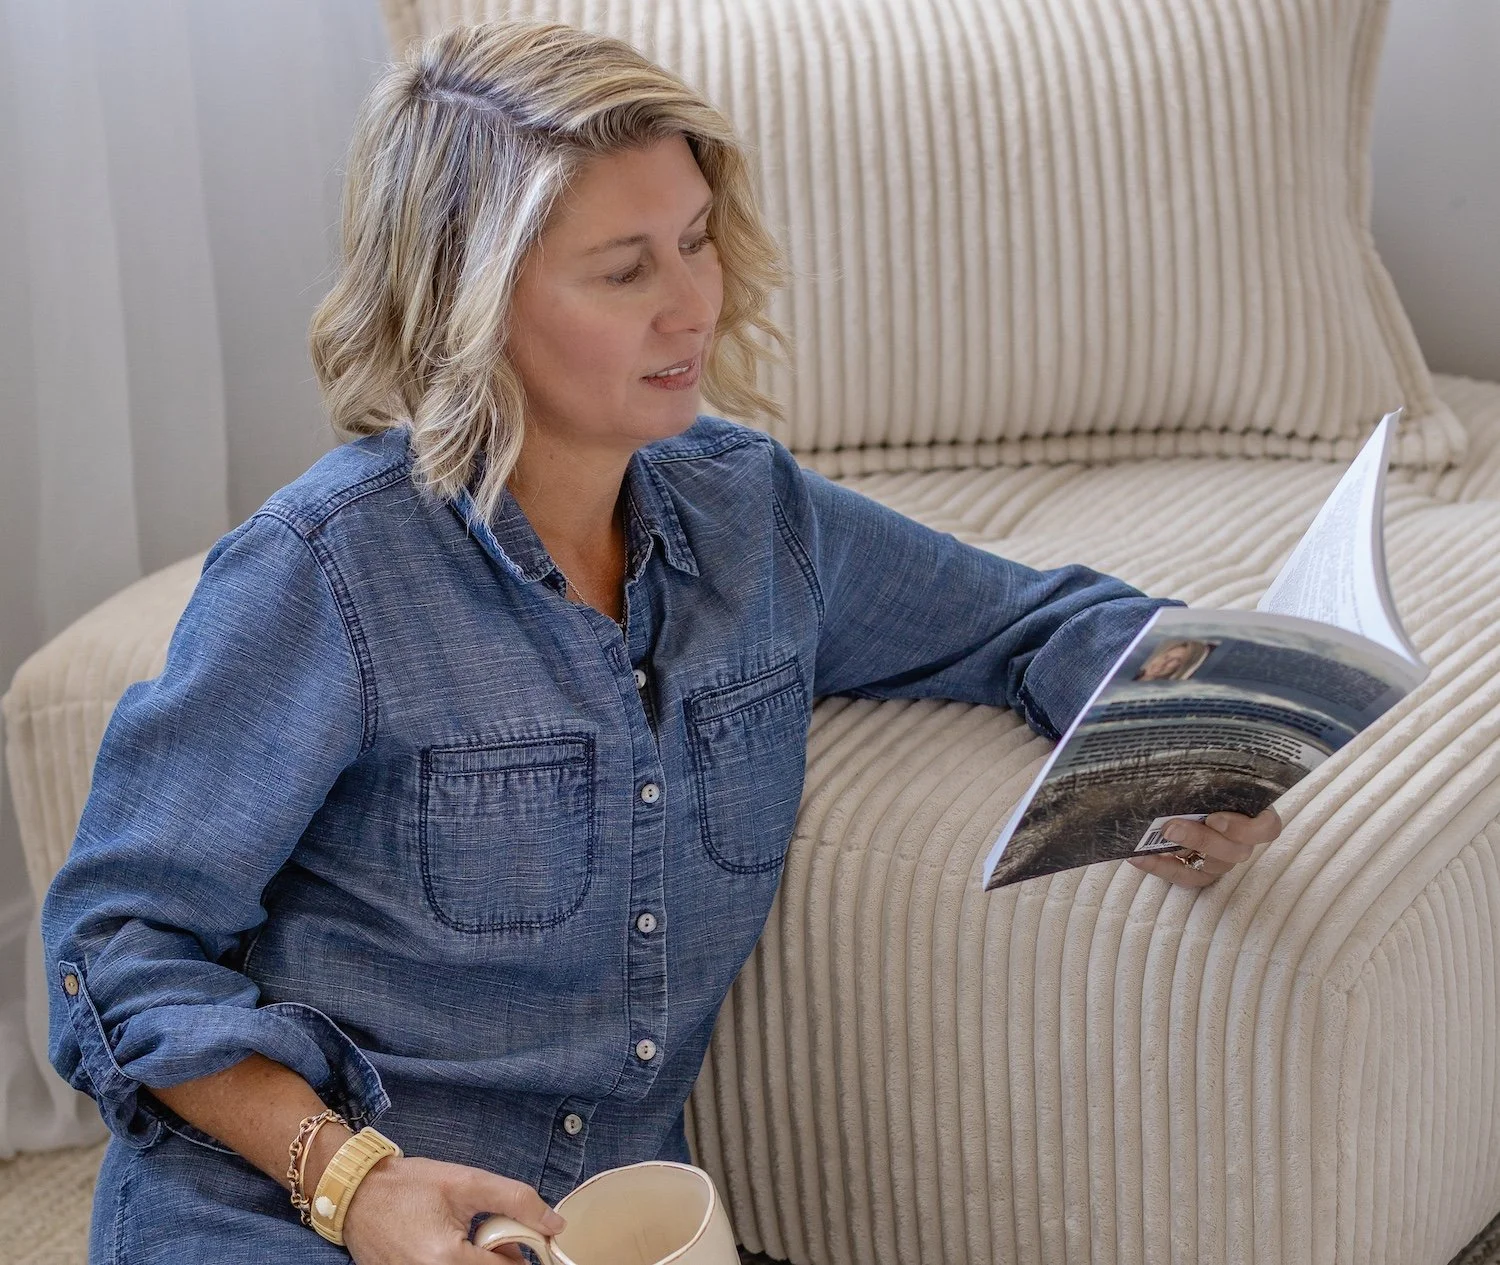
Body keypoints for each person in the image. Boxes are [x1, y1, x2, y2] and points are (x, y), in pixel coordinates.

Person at [40, 19, 1281, 1263]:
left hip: (606, 1227)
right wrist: (355, 1183)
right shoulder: (326, 574)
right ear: (475, 299)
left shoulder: (754, 521)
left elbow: (1036, 619)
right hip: (284, 1212)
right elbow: (114, 943)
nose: (694, 302)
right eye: (625, 268)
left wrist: (1170, 745)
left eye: (695, 241)